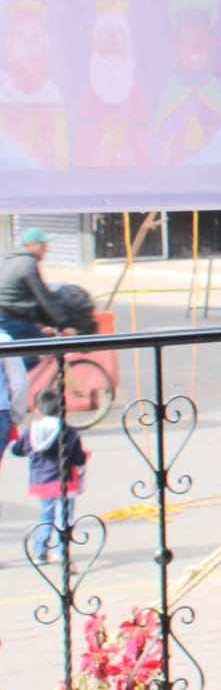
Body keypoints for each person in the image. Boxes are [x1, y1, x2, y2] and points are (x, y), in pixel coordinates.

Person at [13, 387, 85, 565]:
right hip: (63, 481)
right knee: (64, 517)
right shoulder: (68, 431)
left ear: (37, 408)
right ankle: (62, 551)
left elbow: (18, 450)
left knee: (46, 515)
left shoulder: (32, 430)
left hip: (41, 481)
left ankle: (40, 551)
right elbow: (78, 456)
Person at [0, 228, 63, 367]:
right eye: (43, 245)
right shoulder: (27, 262)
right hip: (9, 318)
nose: (47, 250)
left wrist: (38, 319)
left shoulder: (8, 258)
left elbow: (25, 296)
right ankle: (26, 386)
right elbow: (43, 297)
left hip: (8, 315)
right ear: (30, 245)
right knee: (40, 348)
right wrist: (62, 322)